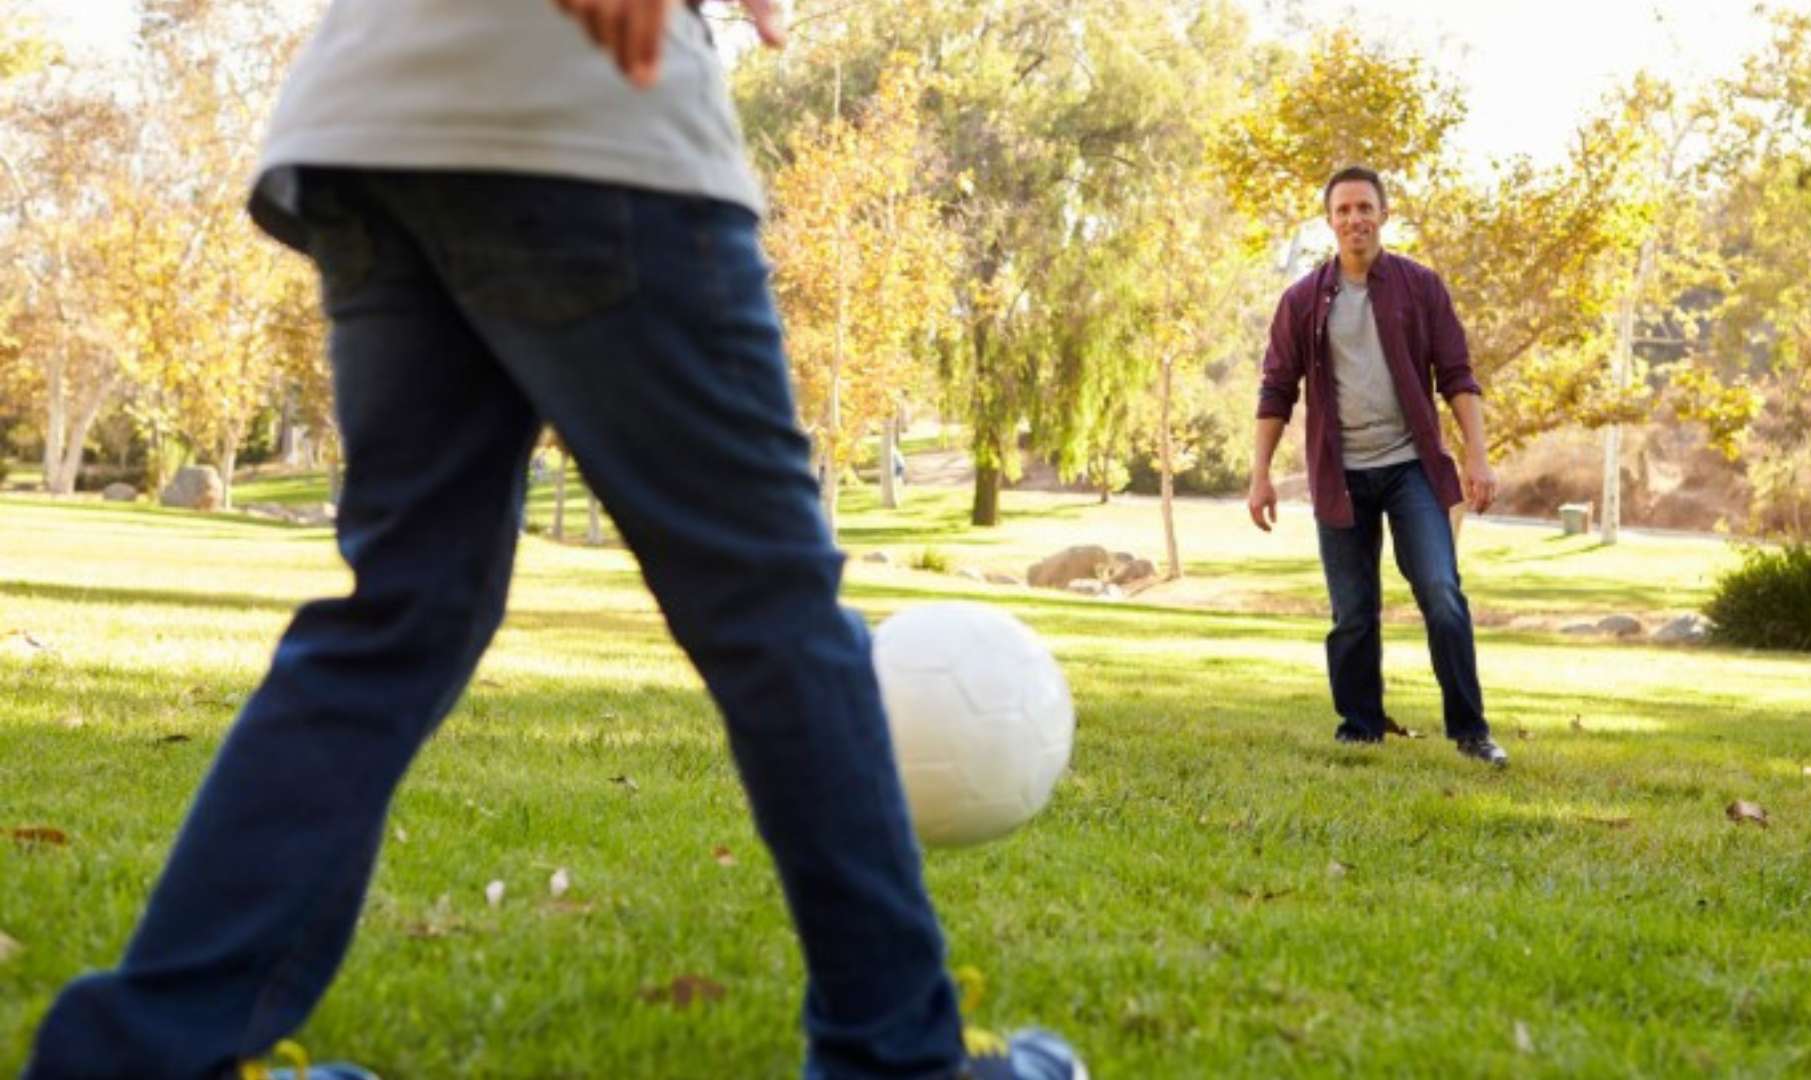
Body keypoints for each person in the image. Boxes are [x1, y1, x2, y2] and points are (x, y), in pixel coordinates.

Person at [23, 2, 1087, 1078]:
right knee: (772, 610)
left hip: (374, 124)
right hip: (578, 123)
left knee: (403, 617)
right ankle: (900, 1059)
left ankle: (144, 1056)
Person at [1245, 165, 1509, 768]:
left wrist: (1477, 456)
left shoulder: (1420, 288)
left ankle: (1471, 731)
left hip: (1410, 466)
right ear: (1329, 222)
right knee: (1353, 612)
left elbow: (1458, 376)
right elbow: (1276, 390)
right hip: (1340, 475)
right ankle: (1359, 729)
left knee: (1441, 592)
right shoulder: (1303, 301)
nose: (1354, 219)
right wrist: (1260, 473)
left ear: (1384, 215)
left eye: (1365, 207)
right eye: (1343, 211)